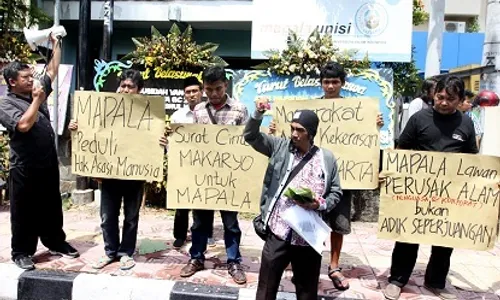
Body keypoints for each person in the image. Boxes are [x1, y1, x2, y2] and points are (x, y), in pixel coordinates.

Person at [270, 62, 383, 290]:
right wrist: (275, 130)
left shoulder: (358, 109)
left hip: (344, 178)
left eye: (335, 82)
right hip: (311, 180)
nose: (330, 86)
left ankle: (333, 266)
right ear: (321, 84)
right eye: (326, 82)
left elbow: (366, 141)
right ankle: (300, 263)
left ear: (342, 83)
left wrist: (375, 125)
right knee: (304, 221)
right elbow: (291, 136)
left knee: (338, 225)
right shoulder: (310, 110)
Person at [383, 76, 478, 300]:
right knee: (407, 235)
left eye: (450, 99)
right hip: (416, 191)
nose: (444, 102)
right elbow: (401, 149)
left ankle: (436, 281)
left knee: (445, 239)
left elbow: (473, 158)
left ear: (460, 100)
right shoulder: (418, 119)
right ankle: (397, 280)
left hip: (450, 194)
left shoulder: (466, 123)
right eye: (440, 97)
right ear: (434, 95)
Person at [68, 69, 167, 270]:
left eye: (130, 87)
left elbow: (155, 143)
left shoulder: (150, 115)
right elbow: (90, 134)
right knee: (107, 217)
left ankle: (125, 253)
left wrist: (162, 141)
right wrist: (76, 128)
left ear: (140, 90)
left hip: (134, 176)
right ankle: (110, 252)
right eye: (123, 85)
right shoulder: (103, 109)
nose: (125, 90)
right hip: (109, 175)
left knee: (131, 217)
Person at [245, 97, 342, 300]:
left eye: (300, 130)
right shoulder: (279, 147)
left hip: (308, 237)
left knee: (307, 292)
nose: (295, 134)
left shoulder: (327, 158)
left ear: (311, 133)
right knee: (265, 290)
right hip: (278, 232)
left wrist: (319, 204)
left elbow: (335, 191)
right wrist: (258, 114)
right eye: (293, 129)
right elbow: (250, 136)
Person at [0, 34, 79, 270]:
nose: (31, 80)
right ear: (13, 82)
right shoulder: (6, 103)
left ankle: (55, 241)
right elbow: (23, 125)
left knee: (51, 206)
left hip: (47, 163)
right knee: (24, 211)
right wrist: (36, 100)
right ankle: (21, 252)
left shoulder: (35, 90)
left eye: (31, 76)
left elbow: (52, 71)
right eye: (25, 77)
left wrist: (56, 43)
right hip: (24, 167)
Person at [180, 66, 249, 284]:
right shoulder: (199, 111)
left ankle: (233, 261)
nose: (214, 94)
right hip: (204, 176)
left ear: (225, 85)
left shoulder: (239, 110)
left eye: (218, 88)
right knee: (199, 221)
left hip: (230, 178)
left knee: (231, 223)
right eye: (209, 89)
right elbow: (192, 141)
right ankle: (197, 257)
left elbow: (247, 142)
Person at [170, 76, 215, 249]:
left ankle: (208, 233)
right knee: (182, 201)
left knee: (206, 199)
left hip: (206, 164)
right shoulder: (177, 116)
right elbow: (172, 140)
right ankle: (180, 235)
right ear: (184, 95)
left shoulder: (210, 113)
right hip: (184, 165)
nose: (191, 95)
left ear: (201, 92)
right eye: (188, 92)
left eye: (195, 91)